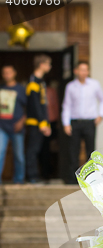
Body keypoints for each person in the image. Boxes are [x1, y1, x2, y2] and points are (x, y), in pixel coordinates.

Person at [61, 61, 103, 184]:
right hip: (75, 122)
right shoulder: (71, 86)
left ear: (88, 71)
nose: (83, 72)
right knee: (73, 151)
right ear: (76, 71)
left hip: (90, 122)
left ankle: (90, 178)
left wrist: (100, 115)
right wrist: (66, 123)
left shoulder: (94, 84)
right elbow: (67, 105)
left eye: (86, 69)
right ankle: (72, 179)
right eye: (81, 69)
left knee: (90, 151)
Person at [25, 54, 52, 183]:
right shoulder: (33, 82)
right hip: (35, 123)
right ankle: (32, 176)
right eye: (48, 64)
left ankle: (35, 175)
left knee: (38, 150)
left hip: (41, 122)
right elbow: (35, 105)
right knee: (32, 150)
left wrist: (46, 122)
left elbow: (43, 105)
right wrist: (43, 123)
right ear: (42, 65)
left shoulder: (41, 82)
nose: (50, 66)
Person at [0, 65, 26, 184]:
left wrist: (21, 122)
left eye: (9, 72)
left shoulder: (21, 89)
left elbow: (29, 108)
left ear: (14, 73)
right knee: (0, 152)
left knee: (19, 156)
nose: (7, 75)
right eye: (4, 73)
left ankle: (19, 181)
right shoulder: (1, 88)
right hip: (2, 127)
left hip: (17, 127)